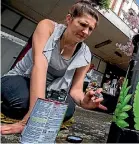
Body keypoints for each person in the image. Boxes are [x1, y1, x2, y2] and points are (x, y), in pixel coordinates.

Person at [1, 0, 107, 135]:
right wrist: (32, 118)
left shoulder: (85, 54)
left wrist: (84, 101)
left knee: (67, 110)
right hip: (22, 78)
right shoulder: (47, 27)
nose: (86, 32)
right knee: (23, 102)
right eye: (83, 24)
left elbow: (75, 89)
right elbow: (39, 67)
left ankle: (34, 110)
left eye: (90, 29)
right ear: (69, 19)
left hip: (50, 89)